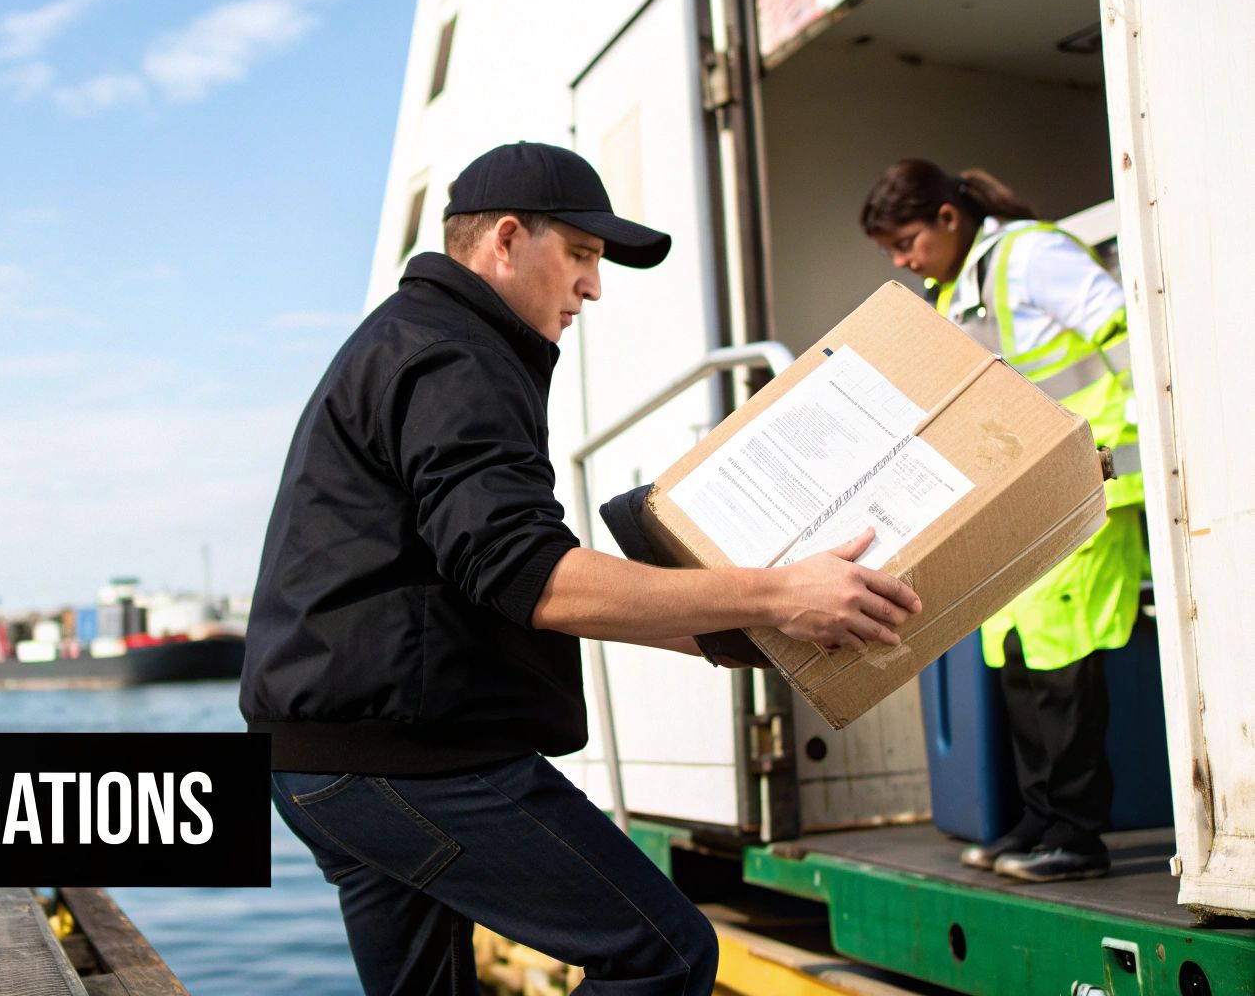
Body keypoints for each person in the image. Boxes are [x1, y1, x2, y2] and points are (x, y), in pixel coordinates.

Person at [242, 141, 922, 995]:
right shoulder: (458, 354)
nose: (594, 288)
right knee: (662, 953)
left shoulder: (413, 338)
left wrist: (730, 628)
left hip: (322, 762)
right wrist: (779, 591)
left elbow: (474, 580)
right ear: (506, 240)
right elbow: (532, 573)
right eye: (583, 255)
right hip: (403, 759)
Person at [861, 158, 1146, 883]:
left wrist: (1121, 442)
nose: (902, 260)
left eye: (908, 241)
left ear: (949, 218)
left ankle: (1078, 834)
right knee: (1019, 656)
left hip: (1093, 481)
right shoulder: (960, 288)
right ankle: (1041, 819)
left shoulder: (1032, 256)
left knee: (1061, 662)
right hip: (1029, 496)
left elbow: (1128, 334)